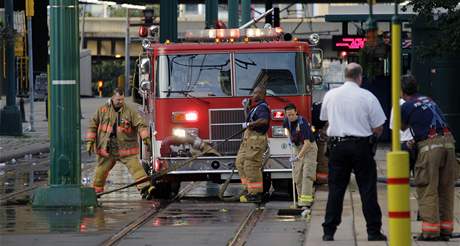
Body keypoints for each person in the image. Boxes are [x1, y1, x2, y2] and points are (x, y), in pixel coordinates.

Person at [320, 63, 387, 241]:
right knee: (367, 189)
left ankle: (329, 231)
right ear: (360, 77)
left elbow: (325, 119)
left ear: (345, 75)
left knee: (336, 189)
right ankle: (373, 231)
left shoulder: (331, 95)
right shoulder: (368, 96)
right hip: (361, 147)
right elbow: (379, 127)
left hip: (338, 147)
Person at [400, 75, 457, 241]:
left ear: (402, 92)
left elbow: (402, 126)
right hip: (449, 144)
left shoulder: (407, 105)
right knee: (446, 189)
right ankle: (446, 229)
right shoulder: (429, 99)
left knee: (427, 188)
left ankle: (431, 232)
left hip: (431, 148)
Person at [85, 88, 155, 199]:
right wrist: (90, 141)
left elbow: (141, 124)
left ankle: (146, 189)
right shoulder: (102, 110)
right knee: (101, 172)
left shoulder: (130, 111)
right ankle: (96, 192)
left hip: (126, 149)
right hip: (107, 149)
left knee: (137, 170)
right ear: (112, 98)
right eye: (118, 100)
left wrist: (145, 137)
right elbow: (92, 125)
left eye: (122, 100)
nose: (120, 102)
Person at [236, 86, 270, 203]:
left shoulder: (263, 107)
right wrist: (246, 107)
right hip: (248, 141)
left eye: (256, 93)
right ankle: (249, 188)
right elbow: (248, 119)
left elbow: (264, 120)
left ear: (262, 94)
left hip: (256, 141)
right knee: (240, 163)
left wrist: (249, 125)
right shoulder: (255, 108)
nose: (253, 95)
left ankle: (255, 193)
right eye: (253, 93)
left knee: (251, 166)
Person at [283, 103, 318, 207]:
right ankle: (300, 200)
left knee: (307, 174)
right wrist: (290, 140)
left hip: (309, 149)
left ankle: (306, 202)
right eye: (288, 115)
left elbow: (307, 144)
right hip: (298, 147)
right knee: (297, 176)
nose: (290, 117)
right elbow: (286, 130)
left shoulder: (302, 123)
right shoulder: (286, 120)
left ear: (296, 112)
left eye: (292, 114)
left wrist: (298, 157)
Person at [389, 98, 416, 173]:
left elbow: (392, 127)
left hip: (403, 143)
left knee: (401, 176)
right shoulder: (419, 102)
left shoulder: (398, 104)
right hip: (413, 143)